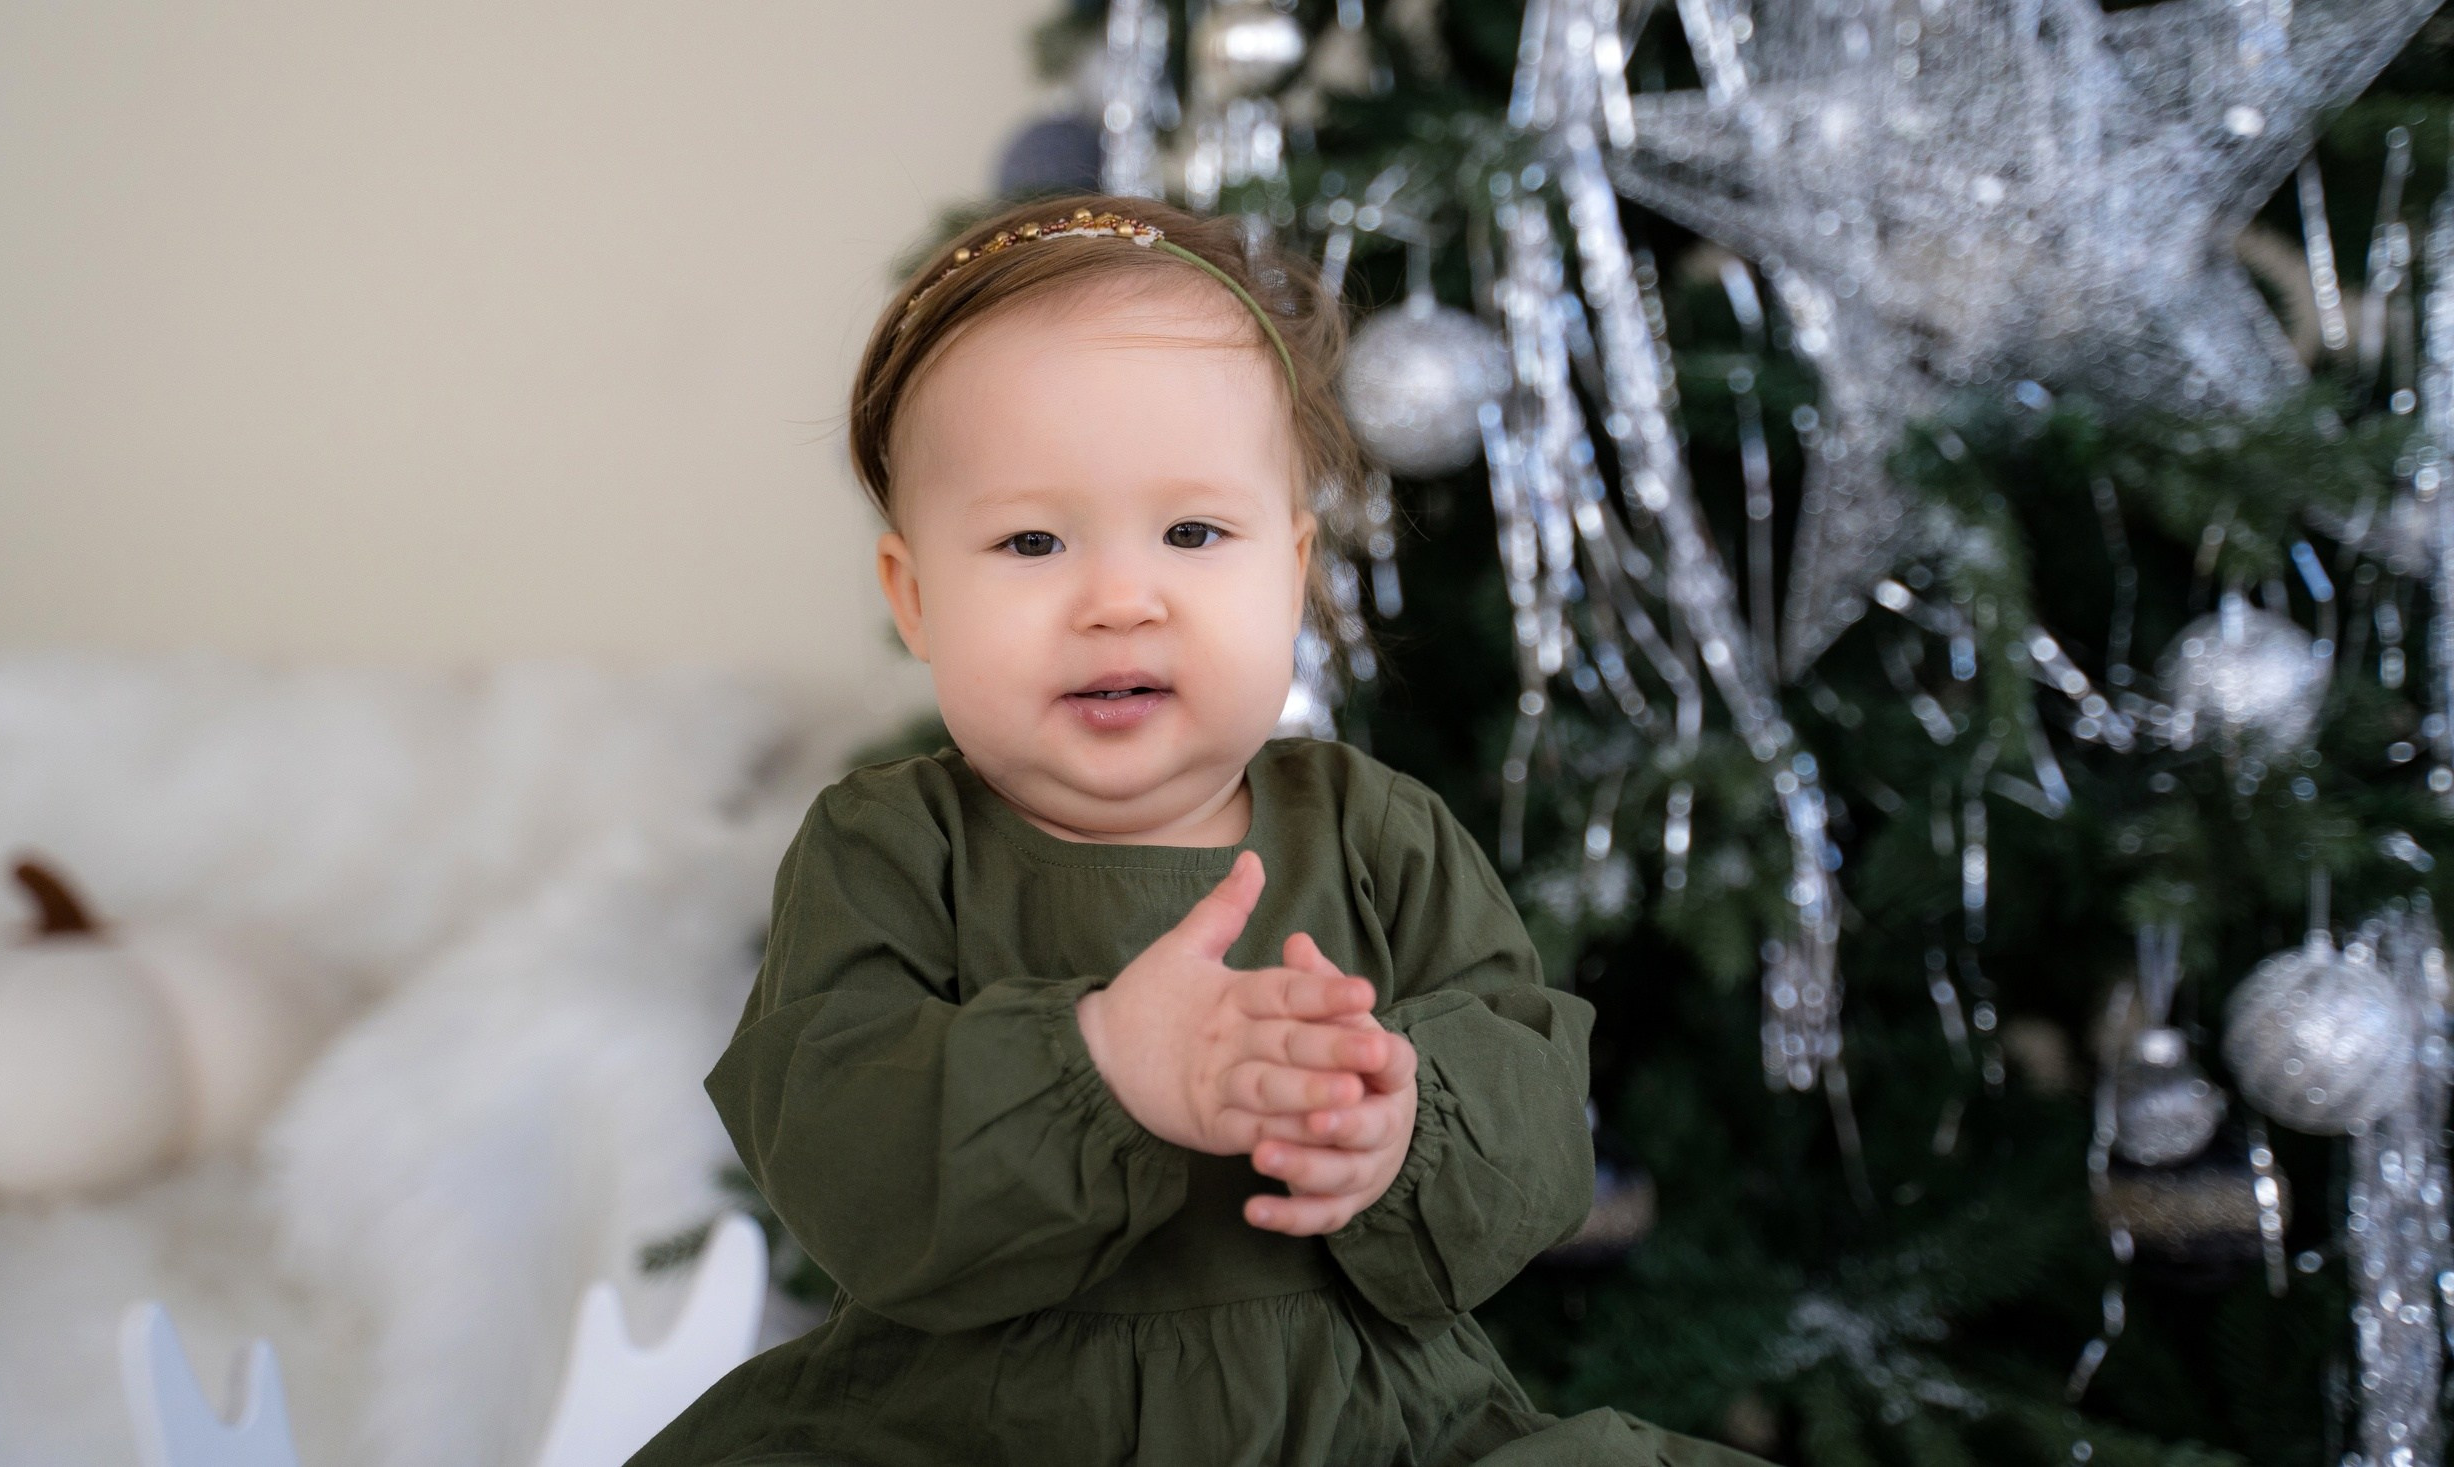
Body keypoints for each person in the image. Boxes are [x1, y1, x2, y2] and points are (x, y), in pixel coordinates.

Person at [628, 198, 1762, 1467]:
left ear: (1292, 571)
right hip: (981, 1426)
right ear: (916, 595)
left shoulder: (1376, 833)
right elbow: (840, 1157)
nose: (1121, 600)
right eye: (1031, 540)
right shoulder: (892, 847)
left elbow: (1533, 1125)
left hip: (1359, 1427)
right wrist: (1099, 1062)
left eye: (1192, 533)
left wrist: (1402, 1130)